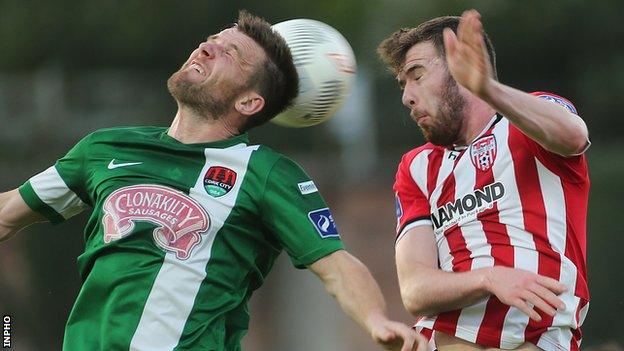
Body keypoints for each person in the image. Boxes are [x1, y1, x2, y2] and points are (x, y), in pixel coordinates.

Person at [0, 11, 425, 351]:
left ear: (249, 101)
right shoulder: (104, 148)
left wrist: (376, 320)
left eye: (231, 54)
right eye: (212, 42)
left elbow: (336, 265)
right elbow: (6, 214)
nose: (206, 48)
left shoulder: (265, 172)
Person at [377, 9, 590, 351]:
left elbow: (573, 137)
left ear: (461, 68)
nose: (407, 97)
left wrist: (488, 89)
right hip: (448, 335)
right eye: (404, 84)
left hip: (538, 335)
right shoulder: (416, 167)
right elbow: (414, 289)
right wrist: (490, 278)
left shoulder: (529, 119)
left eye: (417, 75)